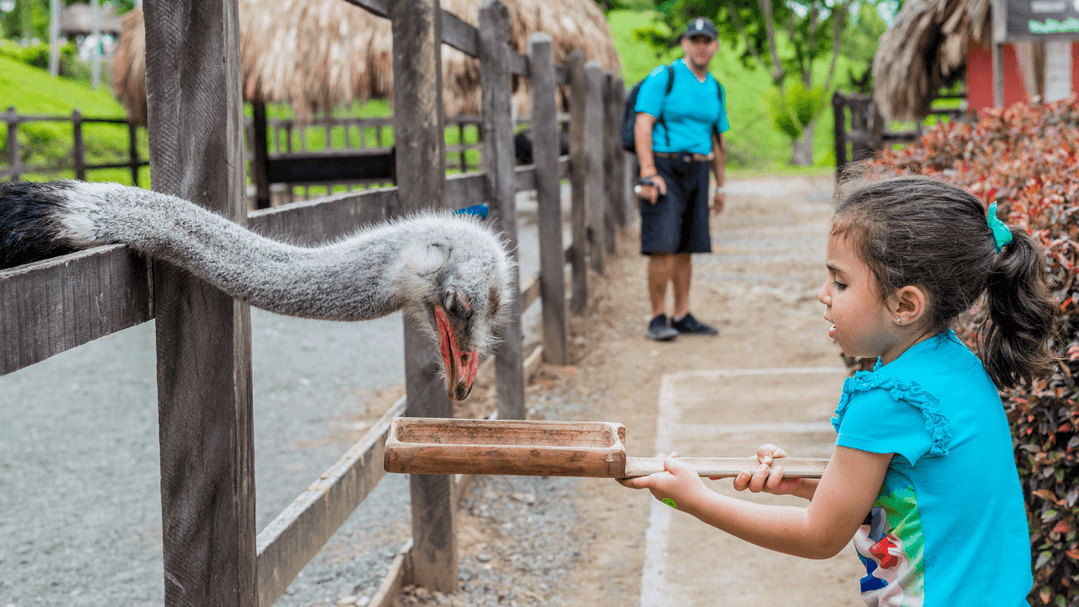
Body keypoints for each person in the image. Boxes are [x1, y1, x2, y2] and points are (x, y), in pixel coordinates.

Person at [620, 175, 1058, 605]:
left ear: (905, 305)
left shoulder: (889, 398)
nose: (822, 294)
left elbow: (819, 535)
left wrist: (697, 500)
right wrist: (812, 485)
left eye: (840, 282)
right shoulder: (955, 363)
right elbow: (919, 498)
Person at [634, 17, 728, 341]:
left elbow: (718, 140)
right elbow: (643, 124)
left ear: (715, 46)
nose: (701, 46)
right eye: (695, 40)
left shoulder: (715, 88)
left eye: (707, 40)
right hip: (664, 168)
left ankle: (682, 314)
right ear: (684, 43)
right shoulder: (665, 77)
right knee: (663, 245)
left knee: (688, 247)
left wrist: (721, 185)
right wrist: (648, 173)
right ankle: (658, 317)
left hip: (699, 170)